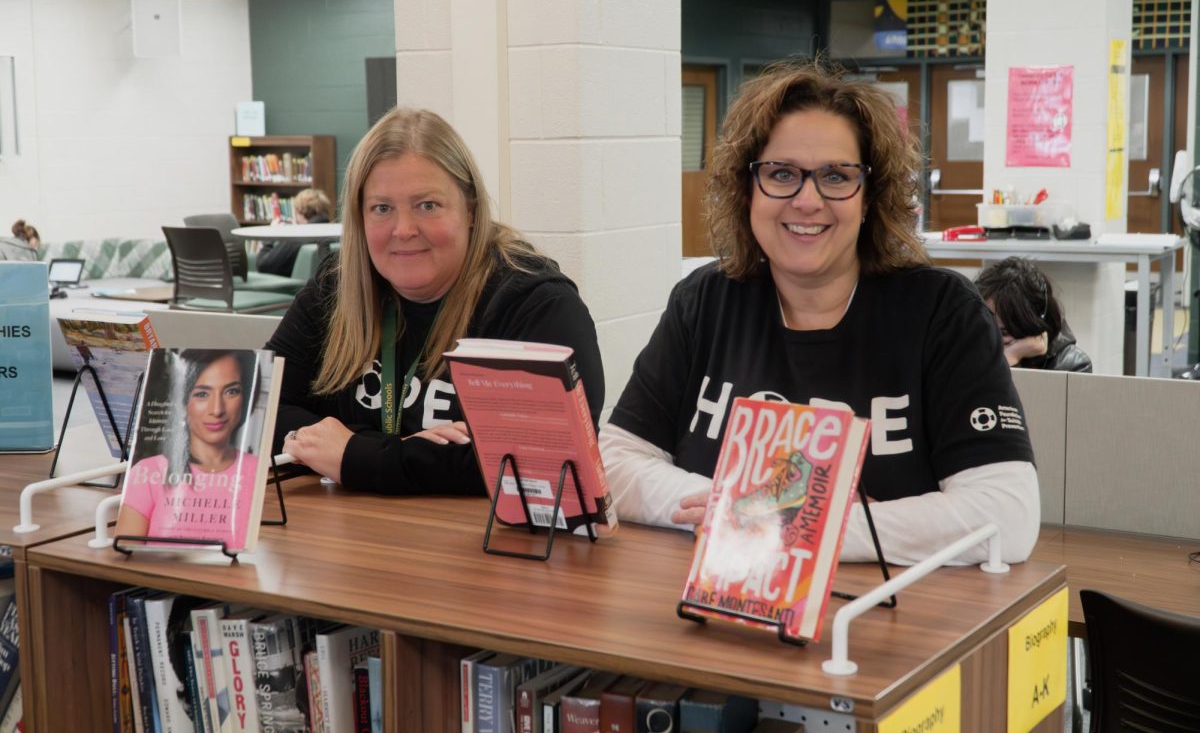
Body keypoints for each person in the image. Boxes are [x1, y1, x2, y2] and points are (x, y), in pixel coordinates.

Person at [599, 60, 1040, 565]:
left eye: (835, 176)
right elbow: (612, 461)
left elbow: (1008, 515)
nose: (807, 200)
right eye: (781, 173)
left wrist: (814, 524)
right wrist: (737, 509)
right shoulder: (705, 301)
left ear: (871, 196)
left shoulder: (942, 314)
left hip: (879, 625)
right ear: (747, 190)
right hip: (710, 613)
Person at [268, 107, 603, 495]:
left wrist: (356, 453)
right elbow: (261, 407)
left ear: (471, 211)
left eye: (428, 205)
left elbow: (544, 457)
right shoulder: (336, 286)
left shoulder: (535, 304)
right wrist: (398, 450)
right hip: (350, 534)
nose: (404, 230)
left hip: (474, 546)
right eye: (382, 208)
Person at [115, 350, 261, 540]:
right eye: (201, 394)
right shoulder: (148, 472)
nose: (217, 409)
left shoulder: (259, 472)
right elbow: (126, 556)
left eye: (231, 391)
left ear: (246, 399)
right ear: (183, 402)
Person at [975, 256, 1093, 372]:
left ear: (1032, 326)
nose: (993, 338)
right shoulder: (974, 346)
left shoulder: (1073, 365)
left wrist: (1011, 357)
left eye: (1004, 332)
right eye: (988, 327)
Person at [255, 188, 336, 277]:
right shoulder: (332, 231)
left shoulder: (300, 235)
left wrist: (269, 236)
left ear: (299, 212)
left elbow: (263, 266)